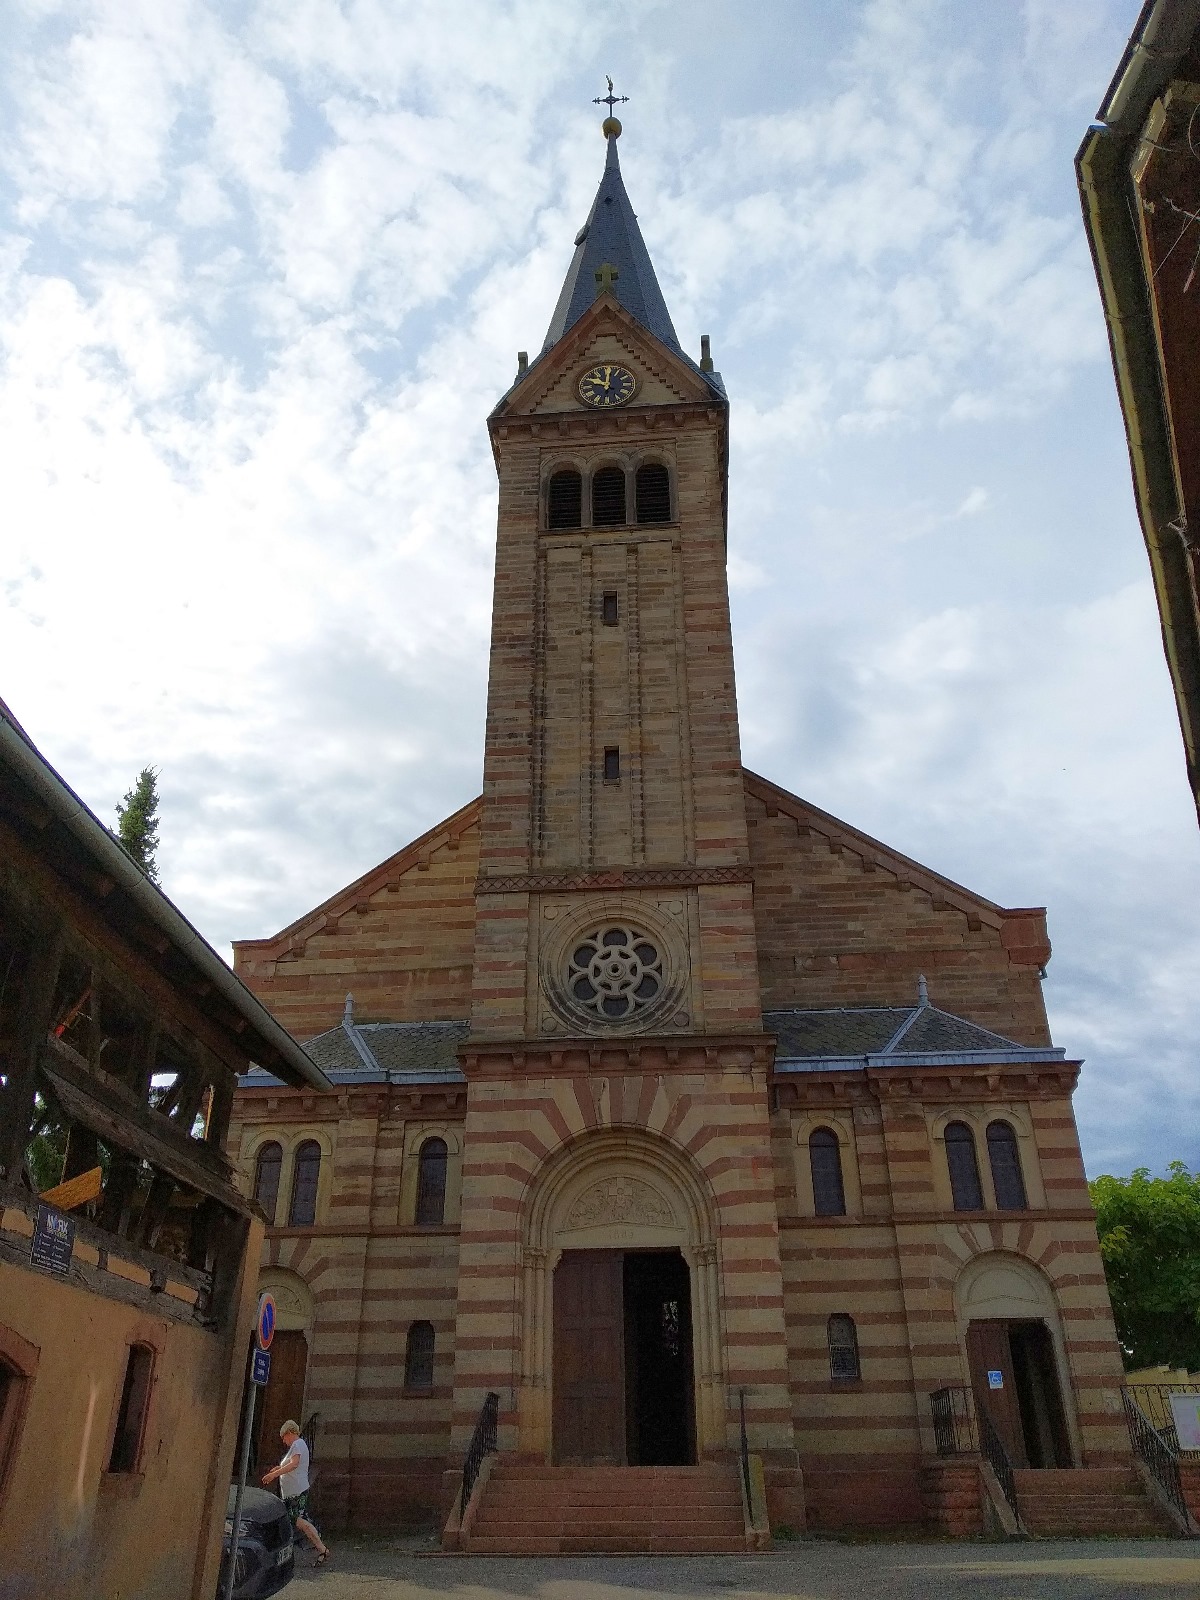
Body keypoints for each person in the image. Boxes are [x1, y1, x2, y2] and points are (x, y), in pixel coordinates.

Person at [262, 1420, 329, 1566]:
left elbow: (294, 1464)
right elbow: (290, 1464)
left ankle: (321, 1548)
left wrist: (274, 1475)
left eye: (284, 1437)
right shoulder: (298, 1445)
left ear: (289, 1433)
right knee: (295, 1520)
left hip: (296, 1491)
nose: (284, 1441)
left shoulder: (298, 1444)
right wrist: (278, 1469)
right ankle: (315, 1548)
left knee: (299, 1521)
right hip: (293, 1491)